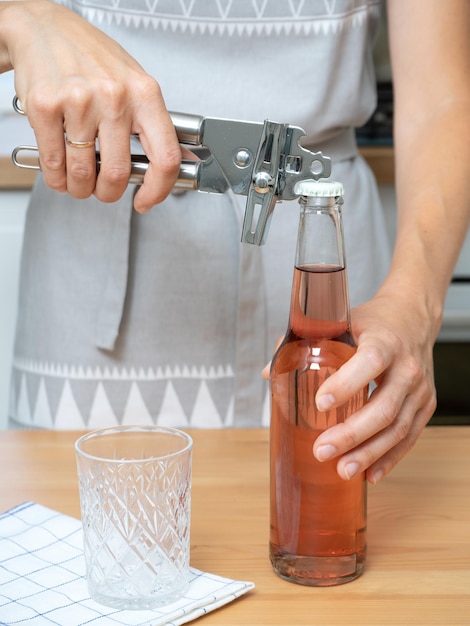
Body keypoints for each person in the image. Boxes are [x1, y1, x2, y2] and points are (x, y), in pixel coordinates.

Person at [1, 0, 469, 485]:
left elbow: (443, 102)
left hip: (329, 284)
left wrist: (415, 305)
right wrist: (24, 17)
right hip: (90, 286)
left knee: (332, 518)